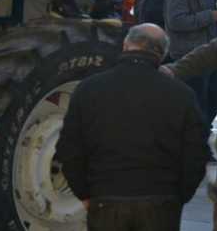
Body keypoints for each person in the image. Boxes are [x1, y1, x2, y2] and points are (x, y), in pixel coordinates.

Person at [56, 24, 209, 231]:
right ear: (162, 54)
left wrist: (84, 193)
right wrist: (178, 196)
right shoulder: (182, 95)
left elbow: (69, 149)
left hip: (106, 198)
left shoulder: (88, 89)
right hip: (161, 200)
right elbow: (196, 154)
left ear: (126, 45)